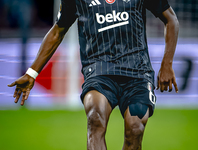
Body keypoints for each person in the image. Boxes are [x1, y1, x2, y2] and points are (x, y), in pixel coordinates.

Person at [8, 0, 179, 149]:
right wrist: (32, 72)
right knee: (95, 118)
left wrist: (167, 64)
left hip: (137, 73)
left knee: (135, 128)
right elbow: (57, 31)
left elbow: (171, 19)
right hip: (99, 72)